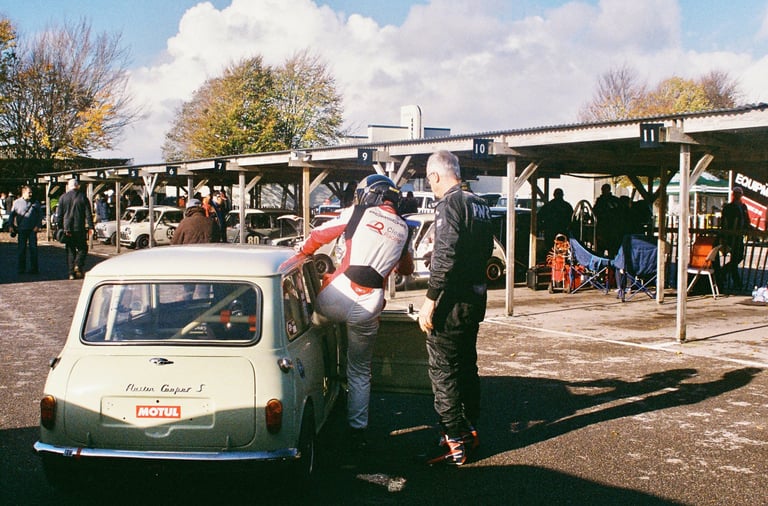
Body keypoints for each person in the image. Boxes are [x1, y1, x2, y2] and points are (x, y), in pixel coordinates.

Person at [296, 174, 414, 451]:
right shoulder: (405, 228)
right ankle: (357, 431)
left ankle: (317, 394)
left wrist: (301, 250)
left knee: (311, 338)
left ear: (370, 194)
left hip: (337, 295)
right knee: (360, 370)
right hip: (370, 303)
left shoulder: (358, 212)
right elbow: (407, 269)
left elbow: (319, 235)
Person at [417, 150, 494, 466]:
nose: (431, 186)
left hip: (451, 302)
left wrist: (430, 300)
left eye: (429, 180)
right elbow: (483, 250)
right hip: (475, 299)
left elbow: (446, 255)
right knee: (466, 366)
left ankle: (453, 439)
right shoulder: (480, 204)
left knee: (443, 369)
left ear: (435, 175)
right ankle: (469, 428)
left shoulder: (449, 204)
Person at [57, 179, 94, 280]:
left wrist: (59, 228)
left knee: (70, 250)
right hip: (79, 228)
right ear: (77, 186)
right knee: (83, 248)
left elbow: (59, 215)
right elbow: (88, 214)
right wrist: (91, 227)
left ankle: (71, 273)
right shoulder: (83, 197)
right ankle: (78, 264)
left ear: (69, 186)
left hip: (67, 229)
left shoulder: (63, 198)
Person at [718, 186, 750, 291]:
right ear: (733, 194)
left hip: (739, 235)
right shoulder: (729, 207)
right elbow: (724, 221)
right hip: (731, 235)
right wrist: (725, 235)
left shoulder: (743, 207)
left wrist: (747, 228)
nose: (737, 195)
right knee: (736, 257)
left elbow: (746, 219)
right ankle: (737, 282)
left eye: (739, 193)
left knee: (738, 257)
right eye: (736, 193)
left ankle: (723, 272)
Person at [9, 185, 43, 274]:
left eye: (31, 192)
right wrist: (11, 226)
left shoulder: (35, 202)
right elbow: (12, 215)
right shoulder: (16, 203)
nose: (31, 194)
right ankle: (21, 268)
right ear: (23, 193)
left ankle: (34, 268)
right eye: (29, 192)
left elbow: (40, 215)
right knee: (21, 249)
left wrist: (38, 226)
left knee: (33, 249)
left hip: (32, 229)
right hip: (22, 229)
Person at [593, 183, 622, 256]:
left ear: (609, 190)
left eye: (605, 189)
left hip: (611, 229)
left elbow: (619, 213)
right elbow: (595, 212)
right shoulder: (600, 201)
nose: (603, 191)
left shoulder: (614, 200)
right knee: (601, 251)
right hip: (603, 228)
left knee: (611, 250)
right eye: (603, 190)